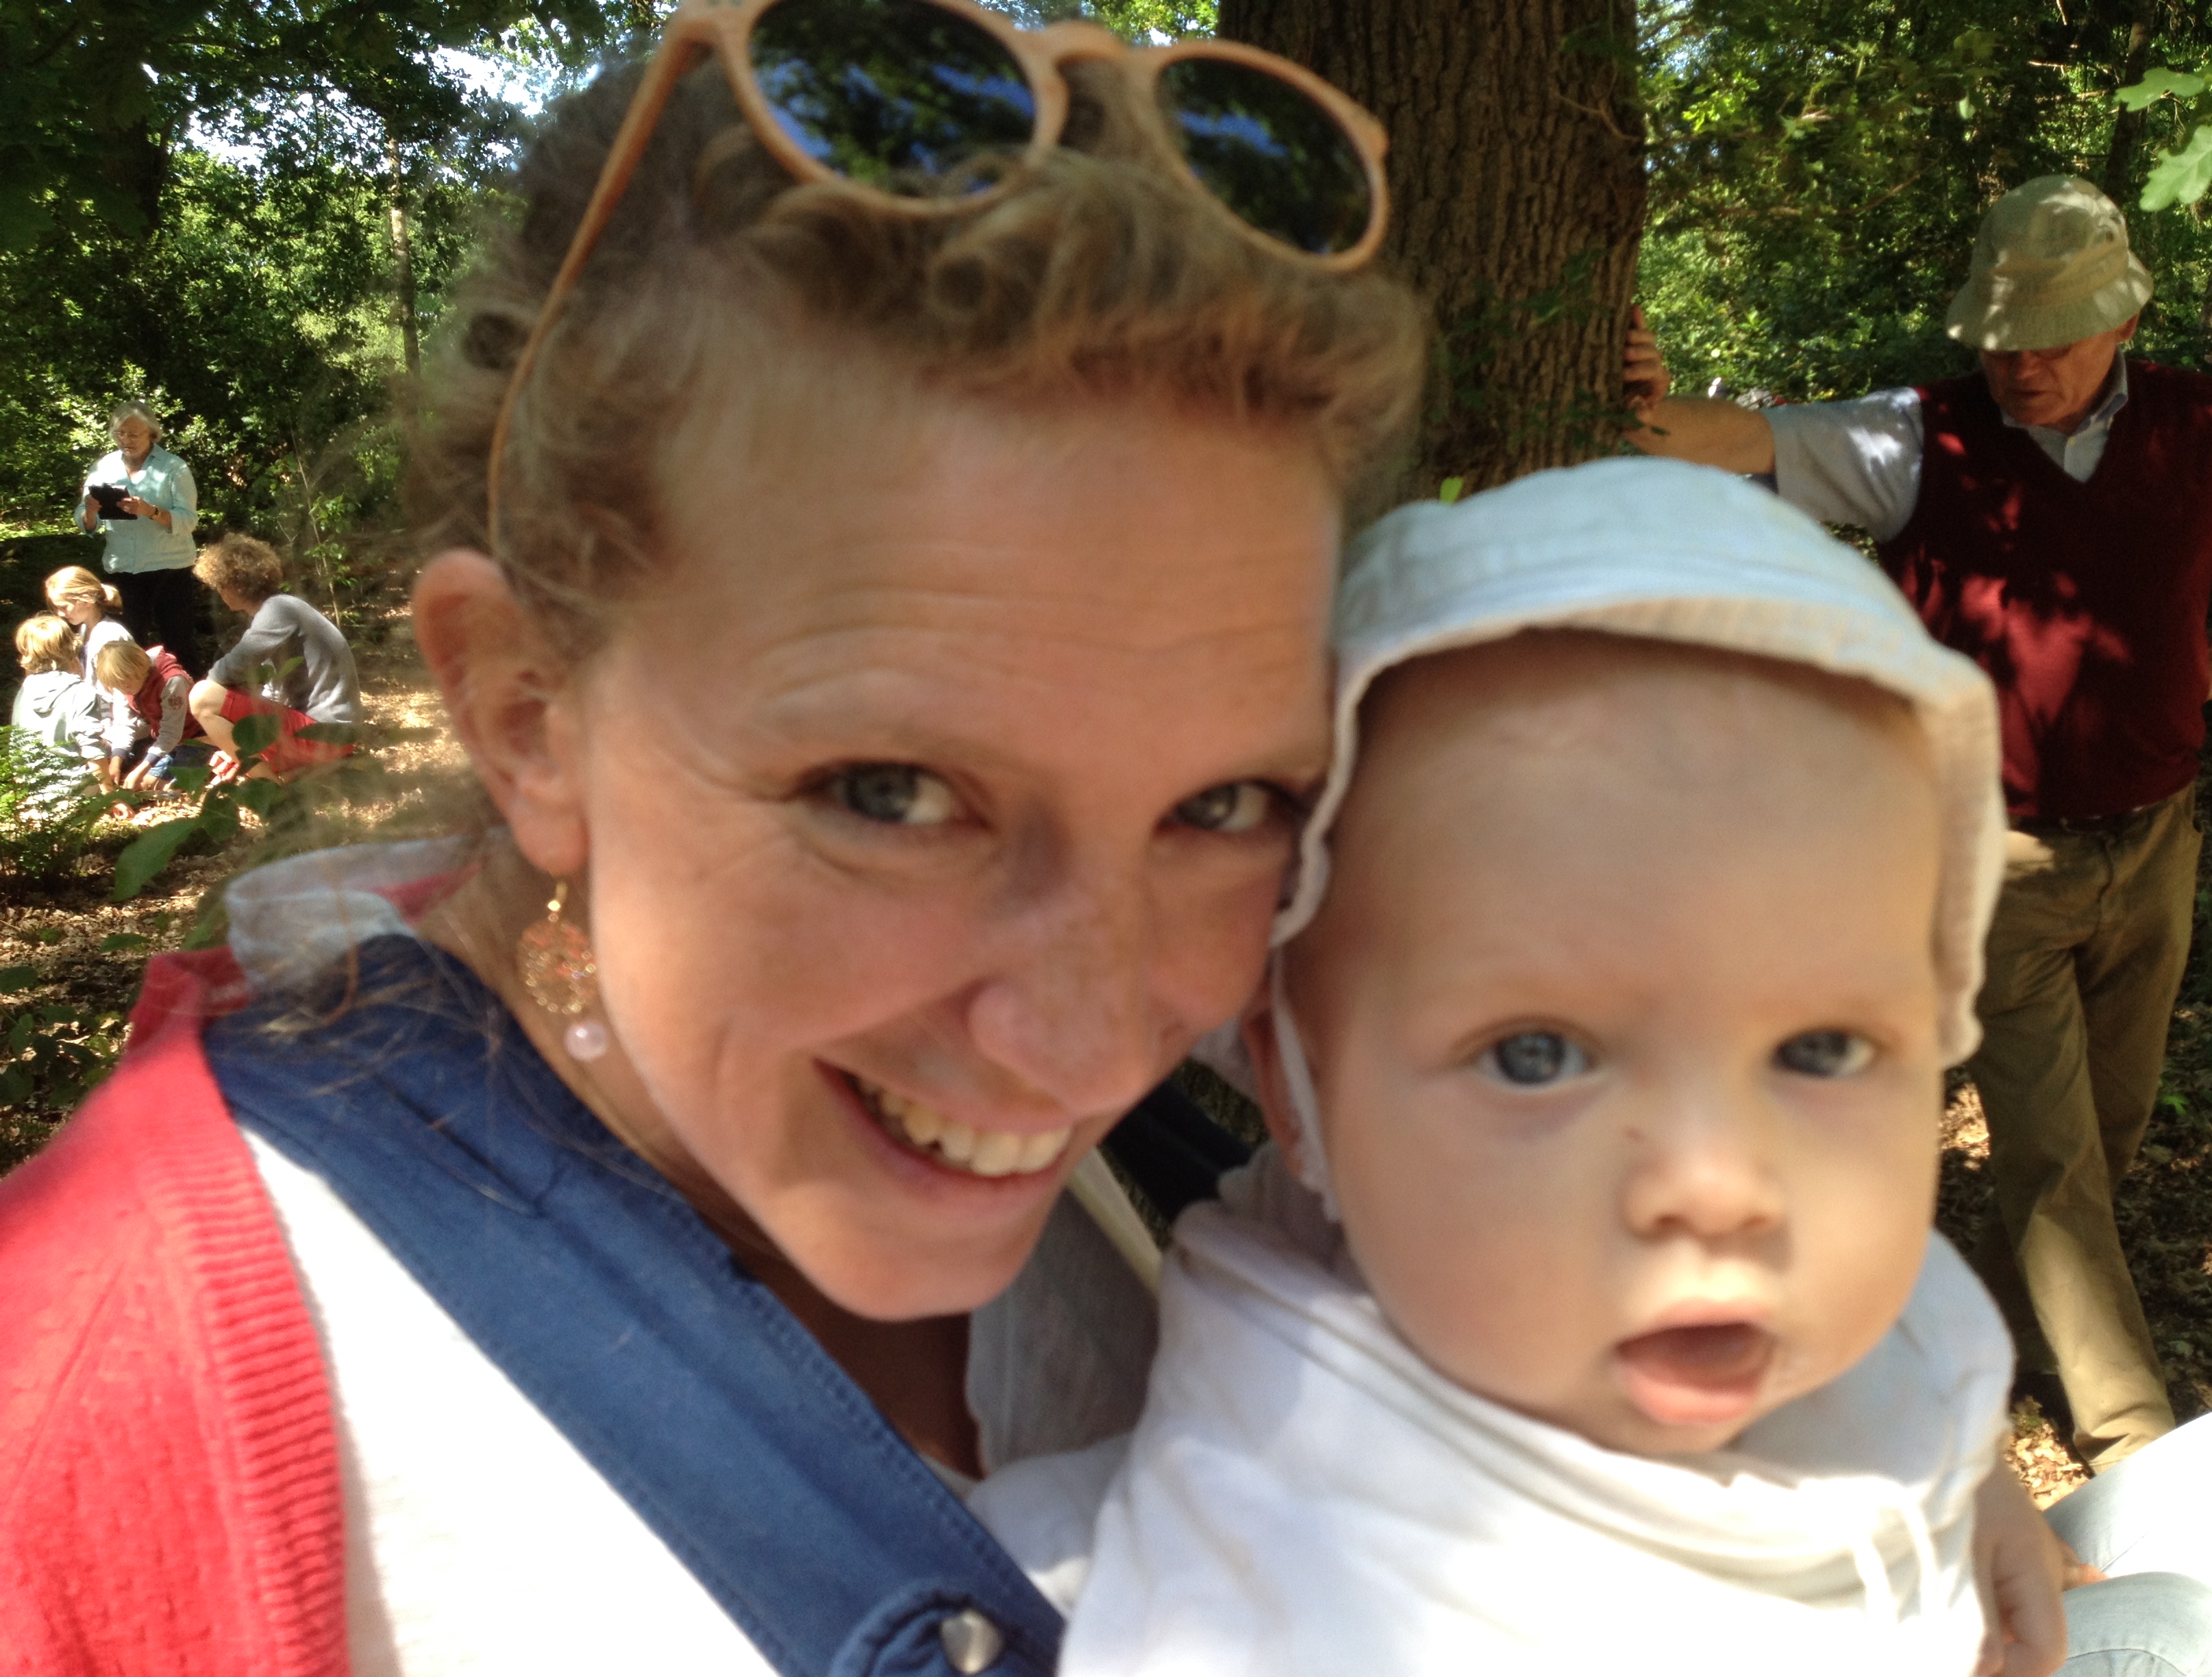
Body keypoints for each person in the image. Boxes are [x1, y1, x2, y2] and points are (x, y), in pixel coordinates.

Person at [0, 5, 1440, 1669]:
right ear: (526, 709)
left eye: (1224, 804)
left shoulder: (1249, 1200)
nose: (1096, 1039)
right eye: (892, 793)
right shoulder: (103, 1417)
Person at [973, 460, 2212, 1677]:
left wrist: (1951, 1472)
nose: (1720, 1182)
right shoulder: (1235, 1577)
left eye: (1821, 1049)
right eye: (1536, 1056)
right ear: (1300, 1095)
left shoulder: (1653, 1305)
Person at [1624, 175, 2212, 1469]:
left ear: (2123, 323)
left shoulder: (2205, 431)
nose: (2018, 364)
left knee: (2110, 1130)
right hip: (1991, 860)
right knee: (2053, 1159)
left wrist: (2197, 676)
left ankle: (2001, 1331)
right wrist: (1640, 395)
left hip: (2155, 844)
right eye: (1999, 339)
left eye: (2048, 339)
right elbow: (1730, 441)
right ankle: (2134, 1443)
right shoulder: (1923, 439)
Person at [188, 532, 361, 782]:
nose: (220, 594)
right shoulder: (281, 608)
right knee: (230, 753)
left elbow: (236, 665)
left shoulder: (278, 609)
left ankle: (270, 786)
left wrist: (210, 685)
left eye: (220, 586)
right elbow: (270, 692)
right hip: (328, 734)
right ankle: (306, 773)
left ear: (236, 584)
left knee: (203, 697)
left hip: (326, 734)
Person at [77, 398, 203, 676]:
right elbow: (86, 523)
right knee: (124, 646)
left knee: (179, 644)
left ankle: (191, 698)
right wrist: (90, 512)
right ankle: (133, 699)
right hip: (123, 567)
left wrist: (151, 511)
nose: (126, 440)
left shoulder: (174, 468)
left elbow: (189, 521)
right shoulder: (103, 467)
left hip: (169, 568)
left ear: (152, 434)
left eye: (134, 434)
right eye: (120, 433)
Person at [43, 563, 140, 784]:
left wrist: (118, 753)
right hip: (95, 722)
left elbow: (124, 698)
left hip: (117, 731)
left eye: (64, 607)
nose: (60, 614)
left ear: (85, 599)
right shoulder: (86, 629)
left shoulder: (111, 637)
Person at [95, 639, 204, 793]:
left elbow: (171, 732)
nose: (122, 690)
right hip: (167, 743)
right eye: (116, 686)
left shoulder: (172, 681)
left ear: (138, 670)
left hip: (197, 739)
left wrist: (142, 768)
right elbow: (125, 724)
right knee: (143, 786)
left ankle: (210, 764)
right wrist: (116, 761)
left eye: (125, 684)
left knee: (168, 790)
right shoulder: (123, 684)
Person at [9, 614, 108, 783]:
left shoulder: (25, 690)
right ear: (71, 645)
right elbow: (93, 751)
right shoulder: (81, 692)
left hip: (33, 786)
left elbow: (18, 746)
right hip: (74, 787)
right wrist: (111, 794)